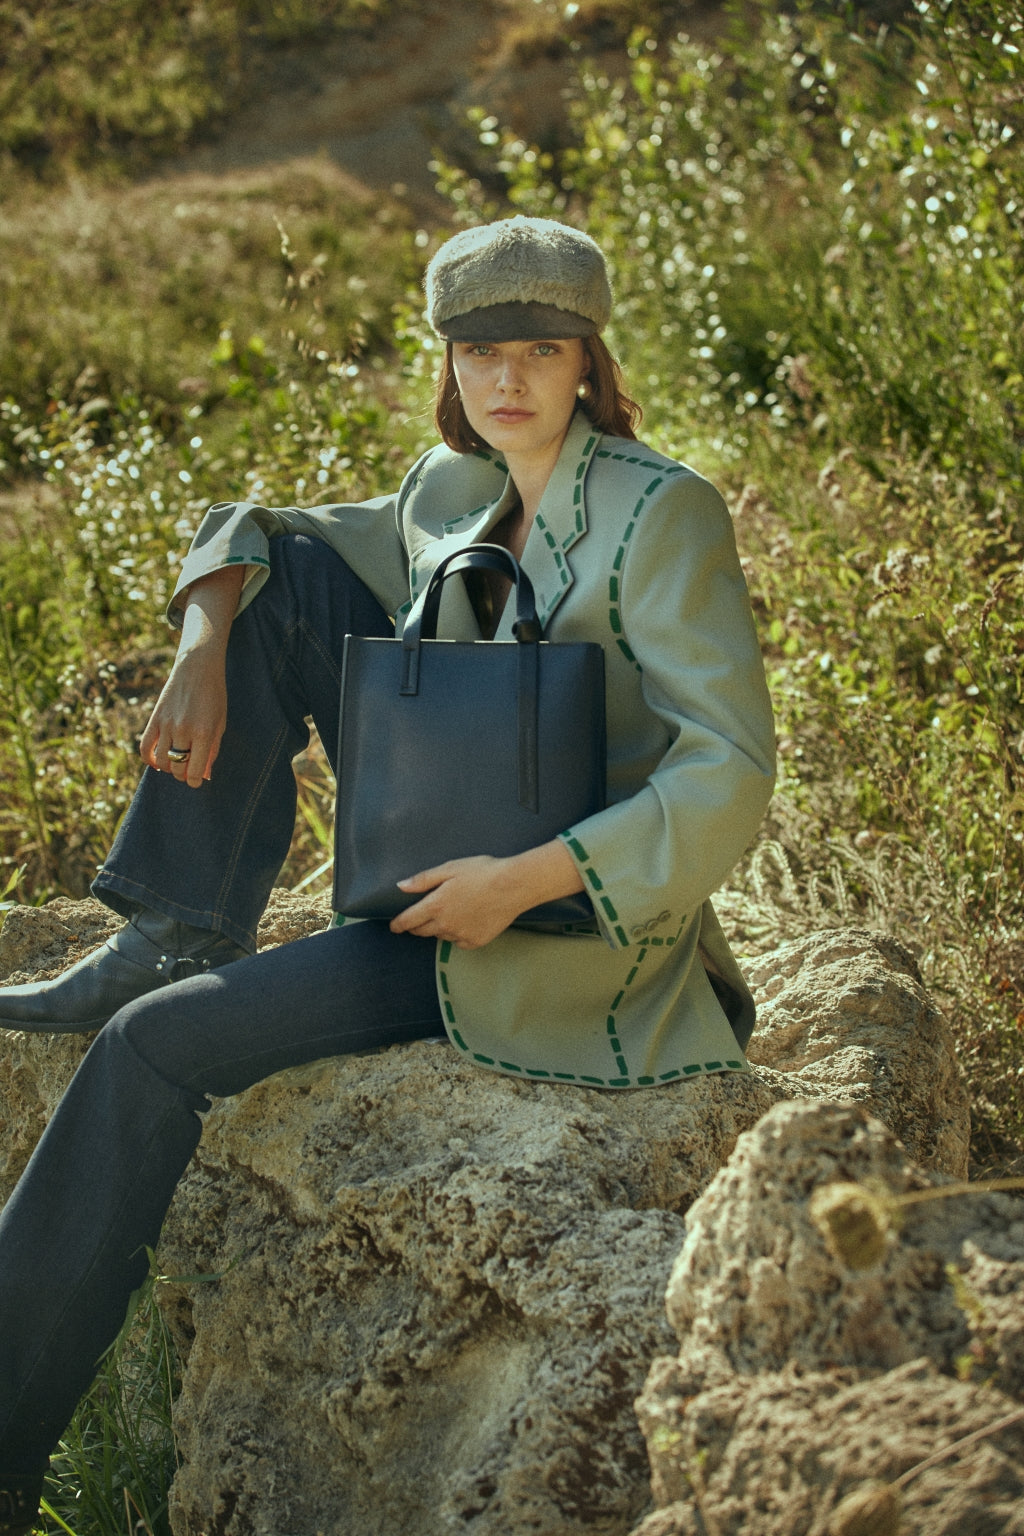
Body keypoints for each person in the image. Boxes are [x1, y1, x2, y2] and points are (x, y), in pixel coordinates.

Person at [0, 216, 775, 1533]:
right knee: (281, 576)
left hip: (553, 930)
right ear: (449, 366)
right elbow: (268, 531)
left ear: (589, 361)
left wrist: (519, 881)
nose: (510, 379)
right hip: (430, 878)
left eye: (540, 349)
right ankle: (181, 924)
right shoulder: (444, 491)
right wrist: (203, 633)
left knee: (147, 1049)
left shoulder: (664, 510)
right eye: (481, 353)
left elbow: (730, 773)